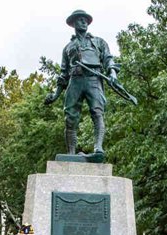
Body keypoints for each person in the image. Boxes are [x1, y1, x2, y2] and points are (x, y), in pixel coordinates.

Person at [44, 9, 119, 156]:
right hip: (75, 80)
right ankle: (71, 153)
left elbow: (109, 59)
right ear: (73, 23)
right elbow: (63, 74)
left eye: (85, 19)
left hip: (93, 79)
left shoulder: (99, 42)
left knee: (98, 112)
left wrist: (113, 73)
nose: (84, 21)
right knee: (70, 117)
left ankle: (98, 148)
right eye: (80, 19)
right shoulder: (68, 48)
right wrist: (55, 94)